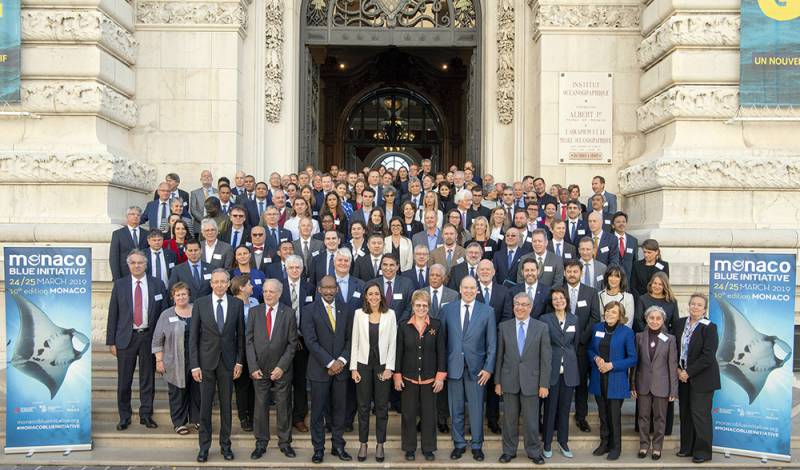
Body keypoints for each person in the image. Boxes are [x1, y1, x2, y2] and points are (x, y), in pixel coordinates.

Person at [106, 249, 169, 431]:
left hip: (149, 337)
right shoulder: (120, 285)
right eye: (133, 263)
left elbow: (164, 313)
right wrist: (112, 341)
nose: (136, 265)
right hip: (126, 338)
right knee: (124, 380)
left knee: (147, 379)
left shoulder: (157, 284)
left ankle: (146, 414)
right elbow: (113, 315)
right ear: (128, 265)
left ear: (145, 264)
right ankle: (124, 416)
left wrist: (162, 342)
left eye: (140, 262)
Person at [189, 269, 245, 463]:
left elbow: (241, 337)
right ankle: (204, 447)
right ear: (211, 283)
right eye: (216, 282)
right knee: (205, 407)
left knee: (226, 407)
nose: (220, 285)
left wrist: (239, 361)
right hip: (205, 363)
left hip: (228, 363)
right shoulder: (200, 304)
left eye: (223, 281)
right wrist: (194, 365)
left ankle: (225, 446)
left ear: (229, 284)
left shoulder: (237, 304)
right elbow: (193, 337)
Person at [440, 276, 497, 461]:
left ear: (477, 290)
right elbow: (443, 341)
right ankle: (458, 444)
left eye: (473, 288)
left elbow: (492, 344)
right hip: (454, 367)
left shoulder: (487, 311)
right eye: (466, 287)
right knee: (455, 408)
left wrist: (488, 368)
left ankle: (477, 445)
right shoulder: (448, 310)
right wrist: (443, 368)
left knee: (476, 409)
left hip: (478, 370)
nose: (469, 291)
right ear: (460, 288)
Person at [301, 276, 354, 464]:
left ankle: (338, 446)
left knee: (340, 410)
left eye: (333, 287)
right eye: (326, 288)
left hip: (341, 370)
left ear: (337, 289)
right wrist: (330, 363)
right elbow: (310, 341)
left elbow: (351, 338)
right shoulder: (308, 310)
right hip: (319, 370)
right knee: (317, 412)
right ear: (319, 289)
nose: (329, 291)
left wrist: (340, 361)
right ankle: (318, 449)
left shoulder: (346, 309)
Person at [494, 292, 551, 465]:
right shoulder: (504, 327)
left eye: (524, 304)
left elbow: (546, 359)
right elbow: (499, 356)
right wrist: (497, 381)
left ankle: (534, 451)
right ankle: (509, 451)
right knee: (509, 420)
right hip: (509, 380)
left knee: (532, 421)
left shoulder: (541, 327)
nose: (520, 307)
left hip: (532, 382)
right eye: (517, 304)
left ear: (530, 307)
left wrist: (544, 384)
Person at [247, 279, 299, 460]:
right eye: (265, 291)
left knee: (283, 405)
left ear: (279, 293)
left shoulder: (289, 313)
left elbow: (293, 344)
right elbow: (249, 341)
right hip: (259, 369)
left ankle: (285, 443)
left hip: (281, 369)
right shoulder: (254, 312)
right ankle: (261, 443)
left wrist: (281, 367)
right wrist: (252, 366)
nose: (268, 294)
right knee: (260, 406)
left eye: (272, 291)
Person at [395, 290, 447, 461]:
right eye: (418, 305)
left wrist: (440, 376)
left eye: (425, 305)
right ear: (412, 306)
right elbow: (398, 352)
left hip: (430, 379)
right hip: (408, 378)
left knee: (429, 415)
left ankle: (428, 448)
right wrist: (397, 375)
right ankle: (409, 448)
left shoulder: (436, 326)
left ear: (429, 307)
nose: (421, 308)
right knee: (409, 414)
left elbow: (441, 352)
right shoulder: (403, 325)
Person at [350, 281, 397, 462]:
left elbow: (393, 342)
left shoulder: (390, 314)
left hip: (382, 365)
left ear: (381, 296)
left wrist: (390, 368)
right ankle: (363, 444)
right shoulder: (359, 314)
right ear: (366, 296)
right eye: (370, 294)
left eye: (377, 294)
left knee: (382, 407)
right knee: (363, 406)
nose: (374, 297)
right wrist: (353, 368)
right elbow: (354, 341)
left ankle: (380, 444)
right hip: (362, 364)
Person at [588, 301, 637, 461]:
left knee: (614, 415)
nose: (609, 314)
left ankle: (616, 447)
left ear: (620, 316)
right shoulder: (597, 328)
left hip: (616, 379)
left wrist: (612, 365)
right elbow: (590, 349)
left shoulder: (627, 332)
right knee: (602, 414)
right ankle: (605, 443)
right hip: (598, 377)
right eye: (608, 311)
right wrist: (596, 358)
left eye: (614, 312)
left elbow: (632, 359)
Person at [676, 293, 720, 464]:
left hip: (702, 378)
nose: (695, 307)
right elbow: (675, 348)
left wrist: (689, 372)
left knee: (700, 415)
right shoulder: (680, 323)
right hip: (683, 376)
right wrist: (679, 369)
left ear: (704, 309)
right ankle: (687, 447)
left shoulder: (709, 327)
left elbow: (708, 356)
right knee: (685, 413)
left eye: (699, 305)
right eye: (693, 303)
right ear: (688, 305)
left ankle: (702, 451)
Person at [151, 282, 200, 434]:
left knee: (197, 390)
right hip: (174, 360)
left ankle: (197, 419)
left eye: (184, 294)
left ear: (189, 295)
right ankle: (179, 422)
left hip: (196, 358)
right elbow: (157, 339)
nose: (181, 297)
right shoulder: (166, 314)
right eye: (178, 294)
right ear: (173, 297)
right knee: (177, 392)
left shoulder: (198, 311)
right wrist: (159, 360)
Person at [632, 305, 678, 460]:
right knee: (643, 417)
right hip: (643, 383)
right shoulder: (639, 337)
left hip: (662, 385)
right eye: (651, 318)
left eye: (658, 318)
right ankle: (644, 445)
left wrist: (673, 390)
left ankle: (657, 447)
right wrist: (632, 385)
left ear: (663, 320)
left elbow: (672, 365)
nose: (655, 321)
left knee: (660, 418)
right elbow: (635, 363)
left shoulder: (670, 339)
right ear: (646, 319)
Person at [539, 288, 579, 459]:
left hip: (569, 371)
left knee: (564, 409)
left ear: (566, 300)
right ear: (551, 302)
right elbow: (543, 346)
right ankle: (547, 443)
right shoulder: (545, 319)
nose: (558, 301)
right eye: (555, 299)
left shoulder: (574, 319)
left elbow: (574, 345)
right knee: (550, 409)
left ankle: (563, 442)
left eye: (561, 298)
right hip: (552, 370)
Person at [280, 255, 315, 432]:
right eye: (291, 267)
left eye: (297, 268)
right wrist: (290, 337)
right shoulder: (278, 287)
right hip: (282, 342)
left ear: (302, 269)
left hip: (303, 342)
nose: (294, 270)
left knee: (301, 381)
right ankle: (284, 418)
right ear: (286, 268)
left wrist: (302, 338)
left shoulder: (310, 288)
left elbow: (312, 316)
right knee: (284, 381)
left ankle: (299, 417)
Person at [230, 274, 259, 433]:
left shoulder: (254, 302)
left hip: (255, 348)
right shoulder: (232, 303)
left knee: (254, 384)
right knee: (241, 385)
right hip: (238, 348)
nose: (252, 287)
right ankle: (243, 417)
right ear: (241, 287)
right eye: (249, 284)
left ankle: (253, 414)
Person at [109, 206, 149, 280]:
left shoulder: (146, 234)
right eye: (132, 214)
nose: (135, 216)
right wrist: (117, 278)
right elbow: (114, 258)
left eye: (138, 215)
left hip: (143, 275)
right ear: (127, 216)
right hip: (124, 275)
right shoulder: (118, 234)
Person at [611, 211, 638, 282]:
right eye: (618, 222)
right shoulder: (608, 239)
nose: (621, 224)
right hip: (612, 278)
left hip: (628, 280)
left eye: (623, 221)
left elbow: (635, 262)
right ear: (613, 225)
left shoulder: (633, 241)